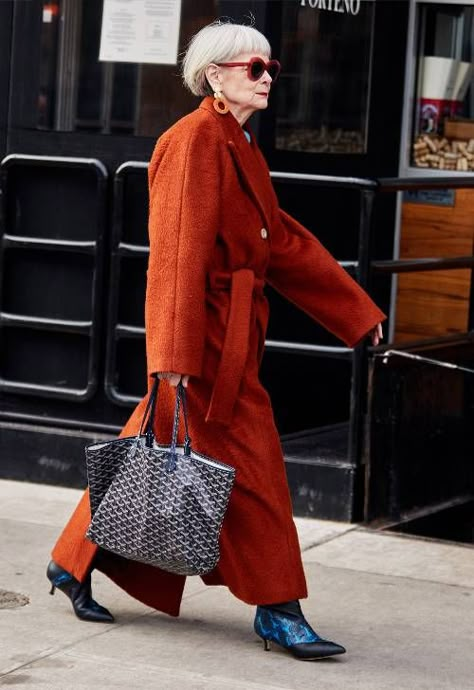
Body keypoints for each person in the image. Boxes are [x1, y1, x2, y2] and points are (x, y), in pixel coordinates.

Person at [47, 20, 385, 661]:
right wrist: (172, 356)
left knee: (149, 453)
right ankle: (280, 610)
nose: (266, 78)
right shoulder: (196, 140)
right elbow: (174, 254)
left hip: (230, 340)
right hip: (203, 347)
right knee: (257, 473)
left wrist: (354, 312)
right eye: (253, 68)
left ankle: (72, 562)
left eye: (270, 68)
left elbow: (278, 241)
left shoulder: (238, 142)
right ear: (216, 77)